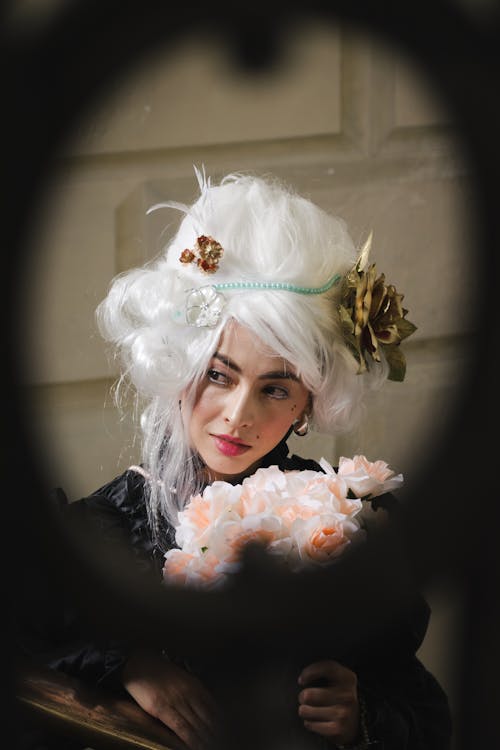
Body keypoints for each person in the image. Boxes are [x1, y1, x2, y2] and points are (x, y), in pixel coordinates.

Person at [15, 169, 452, 750]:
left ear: (307, 404)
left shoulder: (344, 522)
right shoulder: (100, 530)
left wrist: (358, 715)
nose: (237, 416)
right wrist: (130, 665)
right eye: (219, 376)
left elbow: (428, 714)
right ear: (176, 366)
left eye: (275, 388)